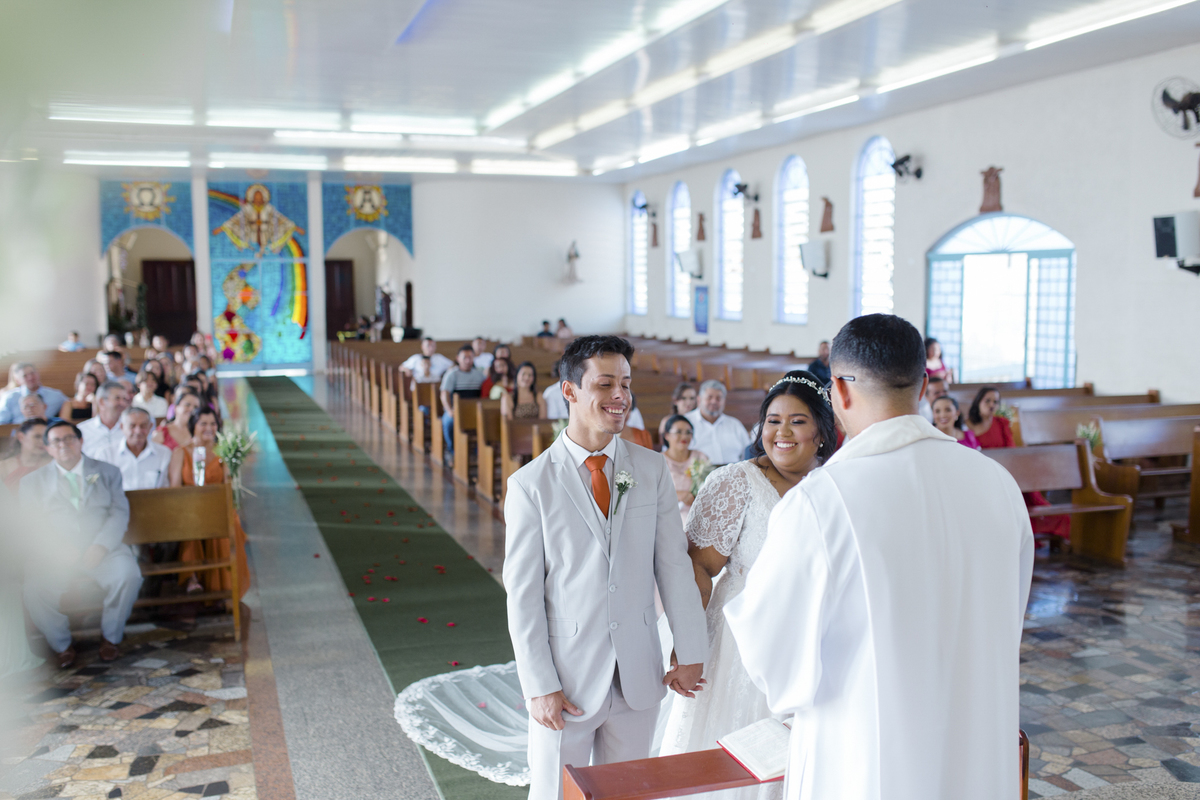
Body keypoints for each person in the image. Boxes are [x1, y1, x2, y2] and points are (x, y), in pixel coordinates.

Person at [725, 314, 1034, 800]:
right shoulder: (997, 484)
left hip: (862, 753)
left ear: (839, 392)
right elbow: (1007, 618)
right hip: (975, 741)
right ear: (924, 385)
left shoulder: (820, 501)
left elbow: (773, 654)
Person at [504, 335, 707, 800]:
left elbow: (673, 566)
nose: (620, 396)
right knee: (557, 793)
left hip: (638, 673)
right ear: (570, 391)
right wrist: (539, 685)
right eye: (606, 384)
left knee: (631, 793)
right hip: (566, 680)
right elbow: (524, 595)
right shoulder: (531, 485)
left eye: (626, 384)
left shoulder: (650, 469)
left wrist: (690, 648)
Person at [662, 372, 837, 797]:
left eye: (797, 421)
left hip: (814, 641)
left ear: (820, 431)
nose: (782, 432)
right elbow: (699, 568)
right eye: (773, 420)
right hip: (739, 643)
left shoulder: (834, 486)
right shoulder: (734, 482)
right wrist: (687, 645)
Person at [21, 421, 143, 668]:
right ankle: (62, 645)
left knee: (129, 575)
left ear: (80, 442)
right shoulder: (32, 482)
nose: (63, 444)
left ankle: (111, 637)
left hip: (103, 549)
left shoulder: (108, 472)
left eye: (69, 438)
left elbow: (119, 514)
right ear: (47, 448)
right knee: (34, 590)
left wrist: (100, 546)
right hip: (57, 556)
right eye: (56, 441)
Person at [968, 387, 1070, 542]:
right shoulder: (967, 426)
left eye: (995, 402)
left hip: (1005, 473)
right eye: (987, 401)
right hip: (981, 476)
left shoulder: (1001, 423)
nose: (991, 405)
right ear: (978, 402)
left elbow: (1012, 452)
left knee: (1027, 505)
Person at [169, 408, 249, 598]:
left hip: (216, 507)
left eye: (213, 423)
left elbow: (228, 486)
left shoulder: (223, 452)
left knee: (229, 523)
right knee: (191, 525)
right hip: (189, 508)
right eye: (203, 423)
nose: (209, 428)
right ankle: (193, 578)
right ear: (193, 426)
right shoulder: (180, 452)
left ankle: (225, 587)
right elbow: (174, 489)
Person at [99, 407, 171, 490]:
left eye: (143, 426)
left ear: (150, 426)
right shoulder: (106, 454)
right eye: (132, 426)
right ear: (122, 427)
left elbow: (166, 488)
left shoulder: (164, 453)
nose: (138, 431)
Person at [684, 380, 751, 465]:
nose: (714, 402)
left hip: (733, 475)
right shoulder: (685, 422)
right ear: (699, 399)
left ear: (724, 401)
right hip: (696, 475)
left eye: (718, 398)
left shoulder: (734, 425)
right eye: (709, 397)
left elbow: (748, 453)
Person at [659, 414, 709, 526]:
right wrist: (676, 495)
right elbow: (651, 493)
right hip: (667, 513)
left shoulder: (700, 457)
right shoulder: (658, 461)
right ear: (667, 435)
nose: (684, 436)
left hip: (698, 512)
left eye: (688, 432)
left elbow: (710, 487)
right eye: (679, 432)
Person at [440, 346, 485, 455]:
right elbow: (444, 394)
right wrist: (449, 410)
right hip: (456, 411)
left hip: (474, 411)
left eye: (471, 357)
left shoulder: (479, 375)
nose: (468, 361)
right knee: (448, 422)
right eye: (465, 357)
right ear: (458, 358)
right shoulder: (452, 374)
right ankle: (452, 451)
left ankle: (478, 453)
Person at [0, 363, 68, 423]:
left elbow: (71, 404)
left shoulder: (55, 395)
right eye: (25, 376)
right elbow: (2, 421)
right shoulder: (10, 397)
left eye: (32, 373)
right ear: (18, 381)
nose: (30, 378)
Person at [79, 380, 130, 458]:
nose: (122, 403)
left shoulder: (131, 429)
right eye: (117, 398)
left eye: (124, 399)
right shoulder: (83, 430)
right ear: (101, 402)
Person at [0, 418, 51, 489]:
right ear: (21, 437)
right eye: (37, 437)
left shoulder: (50, 465)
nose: (42, 442)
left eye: (45, 438)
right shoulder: (3, 466)